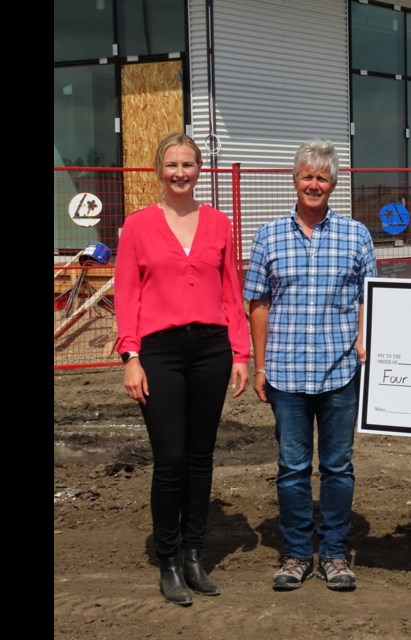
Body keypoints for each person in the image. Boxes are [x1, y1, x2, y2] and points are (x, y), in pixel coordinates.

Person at [114, 132, 251, 606]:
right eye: (171, 165)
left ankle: (195, 553)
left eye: (188, 165)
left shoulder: (218, 223)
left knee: (200, 457)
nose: (179, 173)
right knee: (170, 459)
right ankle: (168, 560)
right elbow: (127, 294)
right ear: (159, 170)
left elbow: (231, 290)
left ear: (199, 170)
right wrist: (130, 356)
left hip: (211, 349)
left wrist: (240, 352)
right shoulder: (137, 227)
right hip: (160, 353)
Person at [243, 140, 376, 592]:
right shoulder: (269, 235)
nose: (313, 184)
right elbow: (258, 303)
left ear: (333, 184)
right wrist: (260, 367)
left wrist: (362, 338)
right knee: (293, 468)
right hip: (285, 373)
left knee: (338, 467)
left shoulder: (356, 234)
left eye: (322, 177)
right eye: (306, 176)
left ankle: (335, 553)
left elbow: (367, 296)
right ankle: (298, 553)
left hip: (340, 372)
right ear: (295, 180)